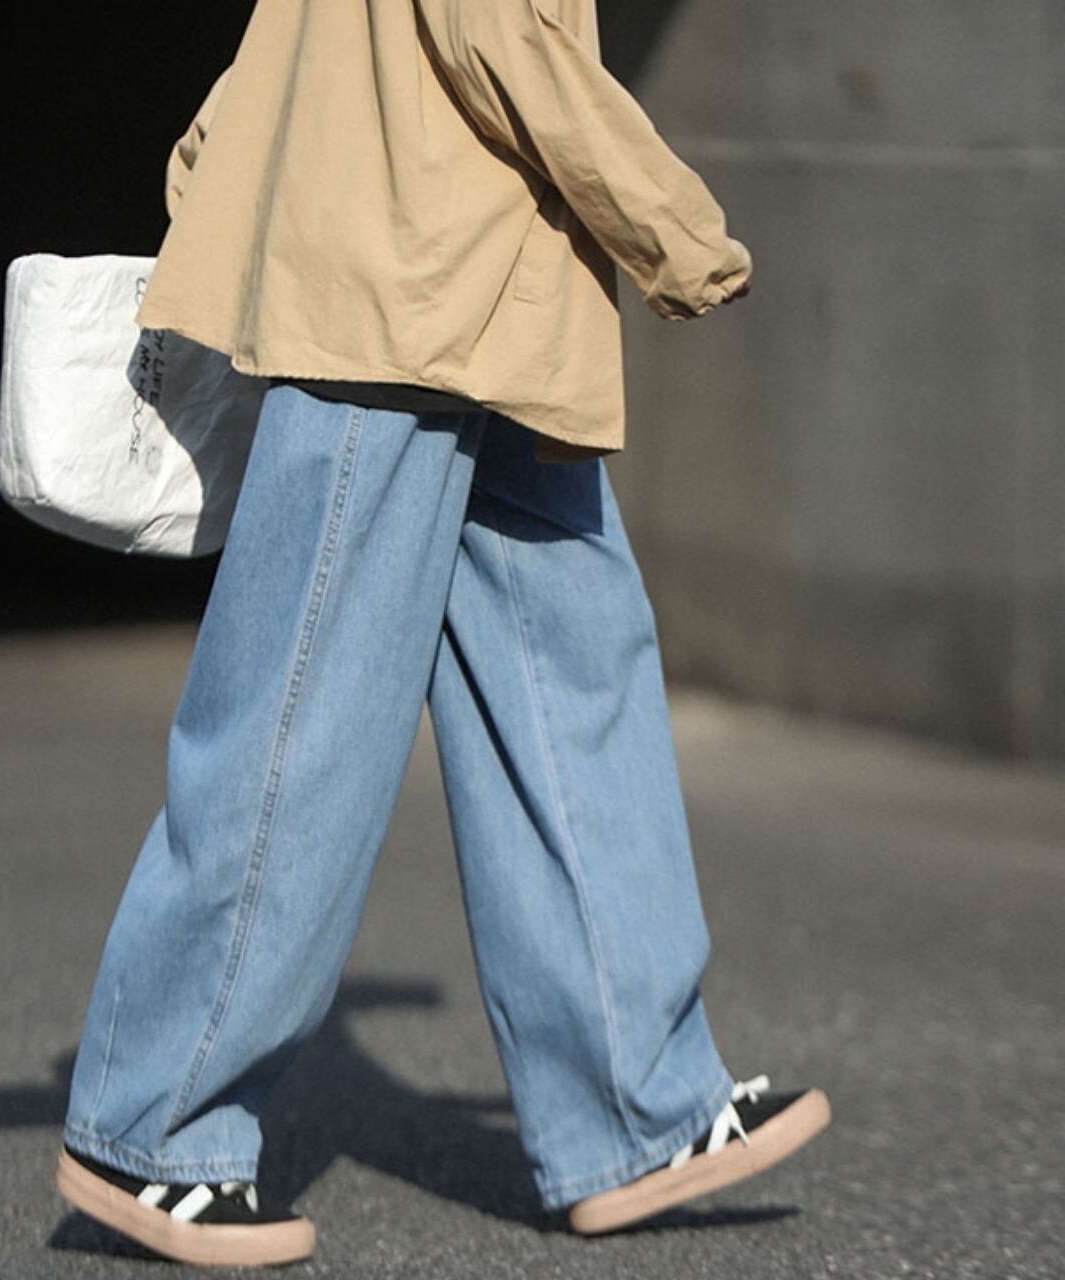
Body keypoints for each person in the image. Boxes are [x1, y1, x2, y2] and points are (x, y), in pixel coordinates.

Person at [53, 1, 829, 1267]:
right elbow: (500, 32)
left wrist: (210, 165)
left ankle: (633, 1107)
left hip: (483, 304)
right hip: (399, 308)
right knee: (302, 723)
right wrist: (676, 231)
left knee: (569, 692)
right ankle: (152, 1125)